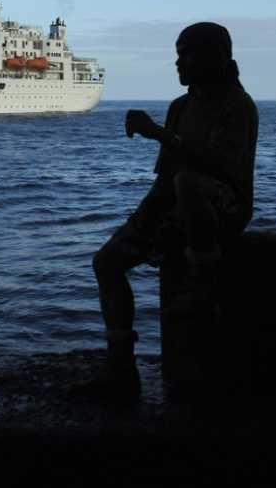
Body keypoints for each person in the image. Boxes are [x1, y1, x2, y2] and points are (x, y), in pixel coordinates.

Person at [75, 22, 259, 399]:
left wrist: (158, 133)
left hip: (224, 208)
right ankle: (120, 369)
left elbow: (219, 167)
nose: (178, 63)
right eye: (177, 54)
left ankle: (202, 285)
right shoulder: (181, 107)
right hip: (177, 205)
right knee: (106, 262)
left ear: (213, 57)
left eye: (185, 54)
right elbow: (164, 180)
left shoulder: (238, 106)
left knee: (189, 183)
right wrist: (144, 223)